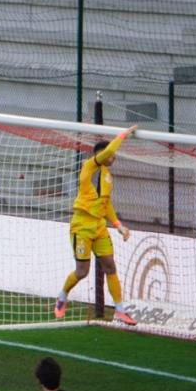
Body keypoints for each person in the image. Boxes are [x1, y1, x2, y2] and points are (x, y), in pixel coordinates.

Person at [54, 125, 139, 326]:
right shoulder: (88, 167)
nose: (114, 157)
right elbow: (109, 151)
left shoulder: (108, 177)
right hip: (82, 226)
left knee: (110, 266)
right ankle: (62, 296)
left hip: (99, 226)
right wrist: (125, 133)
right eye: (110, 154)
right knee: (82, 271)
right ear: (100, 155)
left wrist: (118, 225)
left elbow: (106, 203)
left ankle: (120, 310)